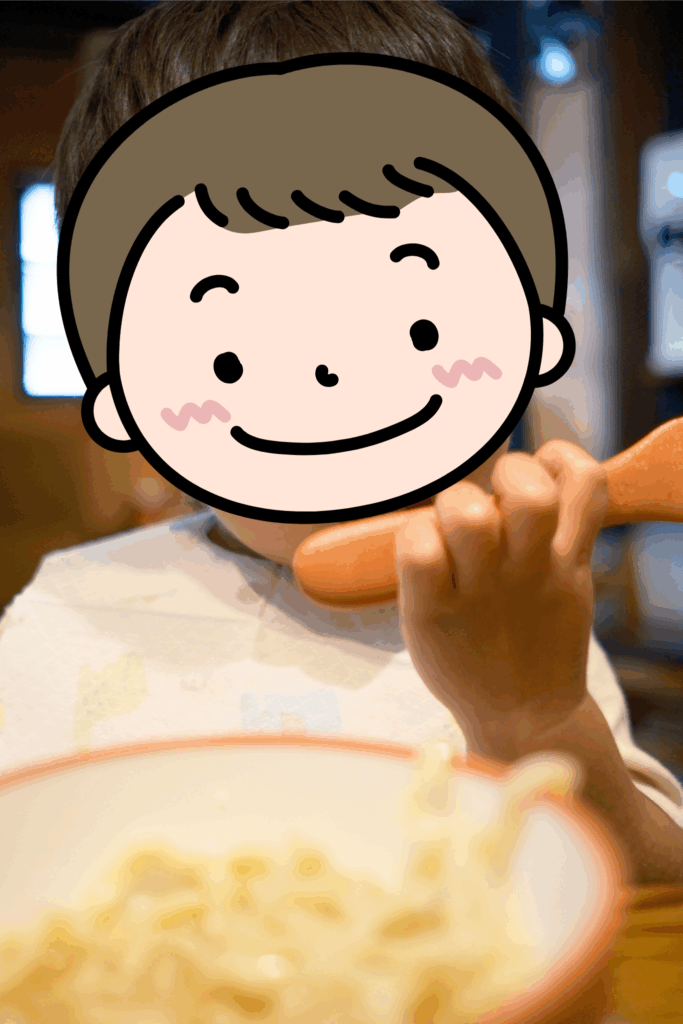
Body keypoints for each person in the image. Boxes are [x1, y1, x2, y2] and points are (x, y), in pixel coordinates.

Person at [1, 0, 682, 886]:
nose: (331, 384)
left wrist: (537, 719)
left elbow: (648, 898)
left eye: (418, 330)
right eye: (236, 356)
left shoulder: (511, 607)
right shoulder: (73, 614)